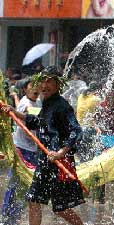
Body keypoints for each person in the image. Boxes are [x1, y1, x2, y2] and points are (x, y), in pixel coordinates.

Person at [1, 66, 84, 225]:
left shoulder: (62, 106)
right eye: (42, 81)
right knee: (33, 199)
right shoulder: (46, 103)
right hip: (45, 161)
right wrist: (13, 111)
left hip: (59, 163)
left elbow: (76, 131)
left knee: (61, 209)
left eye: (49, 81)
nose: (44, 85)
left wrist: (60, 152)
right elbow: (37, 122)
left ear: (58, 84)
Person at [1, 78, 41, 225]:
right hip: (21, 147)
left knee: (27, 182)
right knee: (15, 180)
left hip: (32, 148)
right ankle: (6, 213)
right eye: (32, 86)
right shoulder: (26, 103)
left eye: (37, 85)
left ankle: (15, 212)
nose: (36, 88)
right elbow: (22, 115)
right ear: (25, 89)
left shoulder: (38, 102)